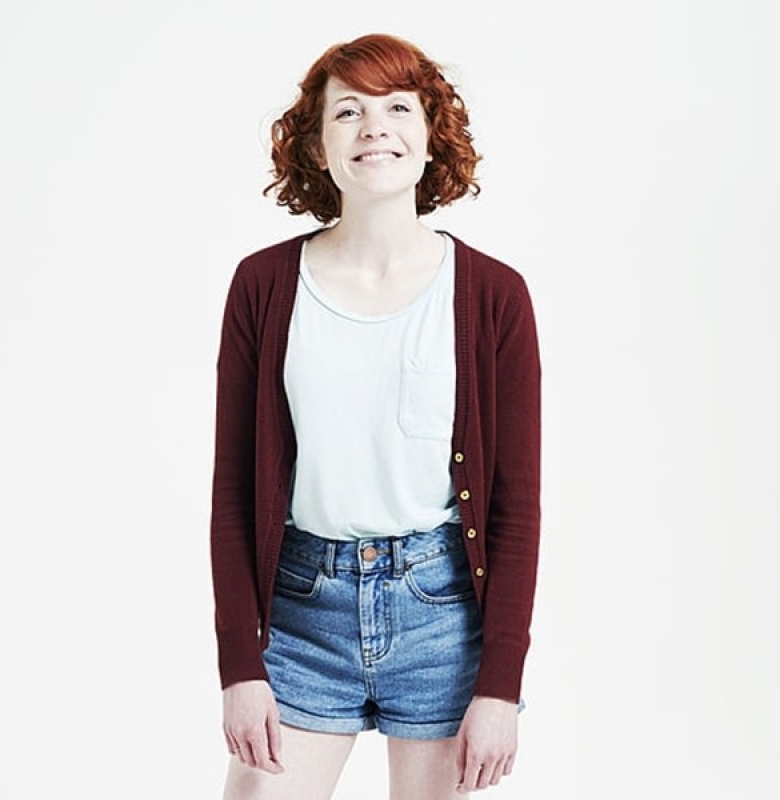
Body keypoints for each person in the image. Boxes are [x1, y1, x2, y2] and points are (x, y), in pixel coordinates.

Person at [210, 33, 541, 799]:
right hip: (300, 612)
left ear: (431, 135)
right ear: (317, 145)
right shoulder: (263, 285)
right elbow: (233, 493)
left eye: (398, 108)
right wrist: (239, 667)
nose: (374, 128)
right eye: (348, 111)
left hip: (442, 617)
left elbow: (515, 508)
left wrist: (500, 686)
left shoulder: (495, 296)